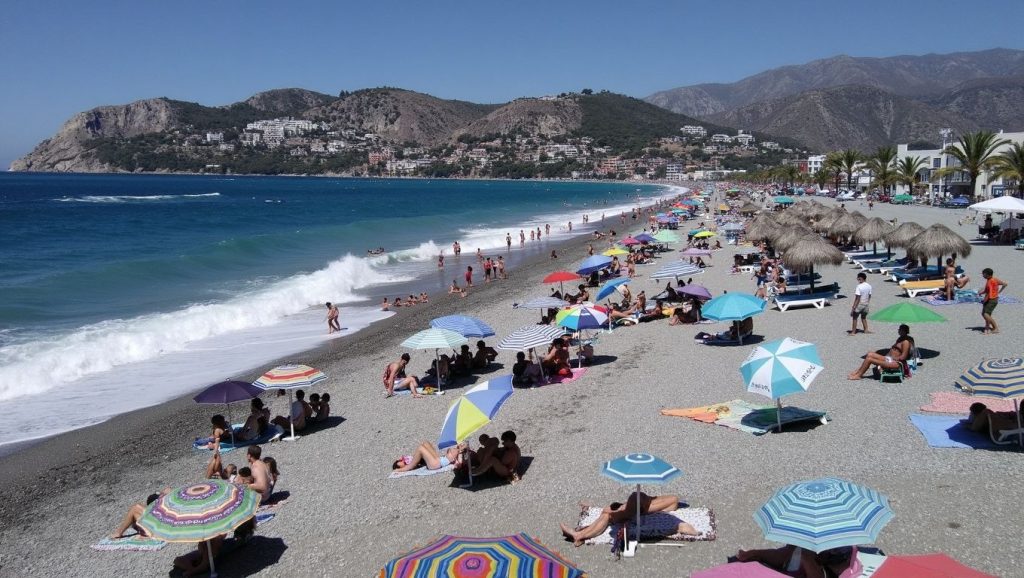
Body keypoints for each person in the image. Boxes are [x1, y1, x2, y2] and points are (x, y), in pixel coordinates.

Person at [559, 492, 696, 547]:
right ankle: (581, 533)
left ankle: (580, 535)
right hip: (637, 507)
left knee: (607, 515)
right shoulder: (671, 500)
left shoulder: (667, 501)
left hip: (633, 510)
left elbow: (645, 509)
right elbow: (669, 504)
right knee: (609, 513)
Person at [736, 545, 856, 578]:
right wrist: (756, 553)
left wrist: (807, 559)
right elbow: (781, 555)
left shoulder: (838, 551)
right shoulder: (798, 546)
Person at [848, 324, 914, 380]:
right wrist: (886, 357)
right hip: (889, 359)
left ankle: (859, 375)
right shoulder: (900, 339)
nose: (898, 330)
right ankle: (858, 371)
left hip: (896, 363)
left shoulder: (906, 342)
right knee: (870, 354)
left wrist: (892, 359)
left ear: (904, 331)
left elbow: (903, 357)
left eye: (900, 329)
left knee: (869, 359)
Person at [393, 441, 465, 472]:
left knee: (425, 443)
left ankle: (406, 467)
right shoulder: (455, 453)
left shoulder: (454, 453)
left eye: (404, 462)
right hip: (435, 463)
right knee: (420, 448)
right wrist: (461, 448)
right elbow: (459, 451)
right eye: (405, 464)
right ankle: (405, 469)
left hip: (437, 461)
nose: (405, 462)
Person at [979, 267, 1008, 334]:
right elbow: (1005, 284)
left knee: (986, 314)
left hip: (991, 300)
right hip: (992, 299)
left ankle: (995, 328)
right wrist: (981, 293)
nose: (983, 275)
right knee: (986, 314)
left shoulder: (991, 281)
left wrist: (984, 300)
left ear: (987, 274)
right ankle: (987, 328)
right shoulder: (994, 279)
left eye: (983, 274)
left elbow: (989, 293)